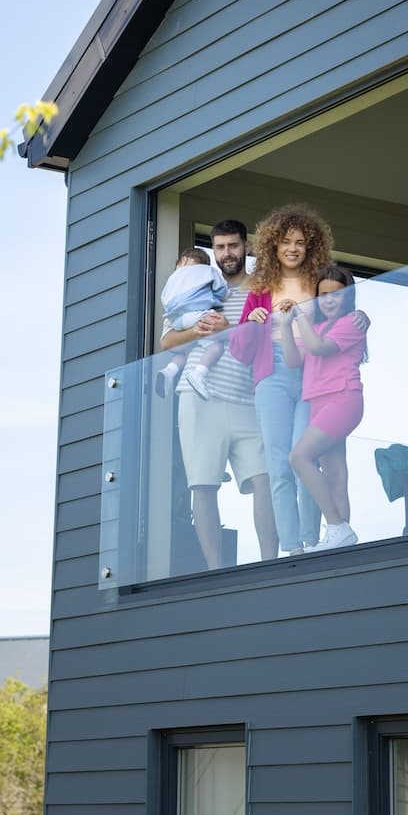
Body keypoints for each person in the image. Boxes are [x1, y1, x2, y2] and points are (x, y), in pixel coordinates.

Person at [160, 220, 278, 570]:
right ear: (214, 250)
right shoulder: (197, 284)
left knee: (265, 480)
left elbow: (270, 336)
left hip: (247, 398)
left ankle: (270, 565)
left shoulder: (261, 290)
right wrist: (199, 329)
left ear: (246, 246)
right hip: (199, 399)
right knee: (203, 485)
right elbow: (167, 341)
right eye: (221, 247)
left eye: (234, 246)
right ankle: (215, 570)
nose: (228, 254)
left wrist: (228, 330)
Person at [230, 205, 333, 557]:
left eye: (300, 242)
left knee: (305, 456)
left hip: (313, 372)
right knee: (278, 462)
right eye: (286, 242)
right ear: (273, 246)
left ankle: (313, 539)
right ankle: (293, 548)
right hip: (271, 373)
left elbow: (340, 321)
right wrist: (253, 322)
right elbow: (239, 350)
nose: (293, 248)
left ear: (310, 246)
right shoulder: (260, 288)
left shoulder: (321, 283)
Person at [283, 265, 368, 551]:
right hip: (319, 403)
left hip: (342, 399)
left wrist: (299, 315)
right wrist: (285, 324)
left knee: (299, 457)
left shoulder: (351, 324)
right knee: (335, 474)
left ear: (347, 297)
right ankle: (340, 543)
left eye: (336, 294)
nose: (329, 300)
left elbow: (319, 348)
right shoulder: (316, 328)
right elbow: (294, 360)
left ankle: (336, 526)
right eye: (323, 295)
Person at [155, 248, 229, 397]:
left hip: (174, 318)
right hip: (195, 314)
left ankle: (169, 371)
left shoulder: (172, 279)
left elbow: (166, 342)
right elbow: (221, 290)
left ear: (180, 263)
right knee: (216, 345)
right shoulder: (207, 271)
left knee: (184, 351)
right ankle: (199, 373)